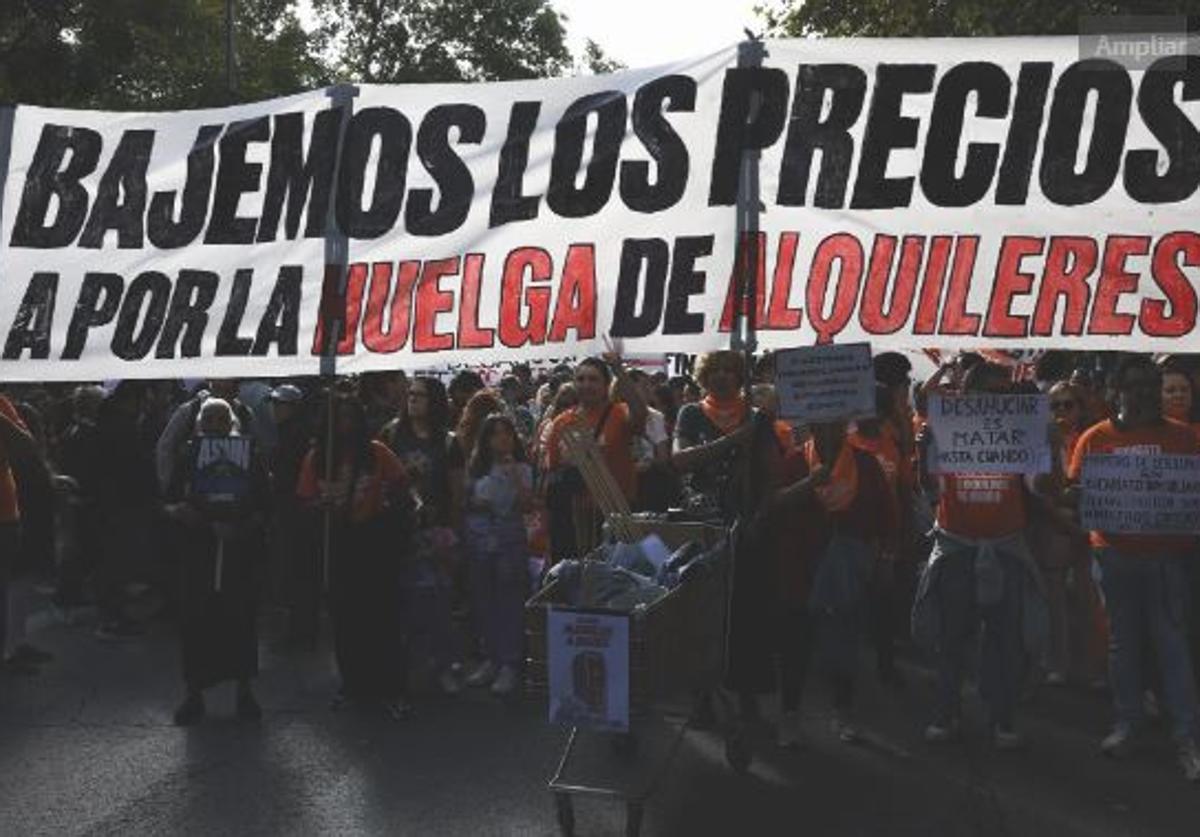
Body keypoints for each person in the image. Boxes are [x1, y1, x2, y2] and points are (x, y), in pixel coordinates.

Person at [1067, 354, 1200, 780]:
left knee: (1172, 646)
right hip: (1114, 556)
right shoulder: (1094, 438)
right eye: (1135, 385)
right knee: (1123, 645)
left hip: (1168, 559)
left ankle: (1186, 736)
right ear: (1115, 392)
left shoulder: (1187, 438)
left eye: (1150, 384)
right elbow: (1075, 493)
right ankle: (1128, 725)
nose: (1144, 392)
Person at [915, 361, 1048, 749]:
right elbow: (930, 489)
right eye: (983, 394)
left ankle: (1002, 717)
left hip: (1006, 545)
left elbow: (1039, 487)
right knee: (952, 636)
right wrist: (924, 453)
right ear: (965, 397)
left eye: (1001, 395)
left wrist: (1045, 449)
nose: (992, 401)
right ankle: (946, 712)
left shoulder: (1022, 429)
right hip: (957, 545)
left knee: (1007, 639)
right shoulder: (943, 428)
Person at [772, 417, 894, 745]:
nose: (827, 433)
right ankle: (790, 715)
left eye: (834, 425)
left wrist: (883, 558)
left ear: (845, 427)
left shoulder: (866, 464)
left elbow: (885, 513)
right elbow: (774, 505)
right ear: (810, 427)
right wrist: (809, 483)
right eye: (820, 426)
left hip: (849, 566)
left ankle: (842, 711)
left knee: (846, 638)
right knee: (796, 643)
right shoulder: (796, 461)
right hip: (801, 567)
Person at [297, 395, 415, 719]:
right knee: (345, 619)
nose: (346, 423)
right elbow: (304, 499)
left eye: (352, 415)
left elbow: (404, 488)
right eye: (340, 416)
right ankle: (354, 684)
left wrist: (389, 508)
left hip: (374, 542)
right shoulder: (317, 458)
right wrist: (319, 510)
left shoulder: (377, 453)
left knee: (382, 618)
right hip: (338, 543)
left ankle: (391, 687)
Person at [166, 399, 269, 726]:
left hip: (238, 550)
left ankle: (244, 691)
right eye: (207, 419)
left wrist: (241, 527)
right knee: (196, 620)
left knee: (239, 617)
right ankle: (194, 693)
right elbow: (169, 500)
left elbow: (266, 504)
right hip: (198, 551)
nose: (213, 425)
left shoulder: (250, 456)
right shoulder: (187, 456)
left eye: (220, 419)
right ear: (198, 423)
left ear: (231, 423)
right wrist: (182, 513)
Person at [380, 376, 465, 695]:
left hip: (436, 532)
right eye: (411, 394)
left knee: (440, 602)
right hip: (399, 529)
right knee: (403, 601)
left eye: (421, 395)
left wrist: (452, 533)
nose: (414, 399)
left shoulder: (448, 441)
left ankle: (444, 665)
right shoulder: (390, 434)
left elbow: (458, 492)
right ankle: (407, 666)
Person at [543, 350, 647, 559]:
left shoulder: (619, 412)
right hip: (574, 515)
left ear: (606, 384)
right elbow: (551, 470)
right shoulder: (562, 422)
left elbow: (640, 413)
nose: (586, 385)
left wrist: (619, 370)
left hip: (615, 513)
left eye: (593, 379)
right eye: (580, 379)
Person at [463, 414, 535, 695]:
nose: (502, 438)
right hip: (480, 539)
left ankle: (510, 662)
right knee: (485, 599)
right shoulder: (477, 467)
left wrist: (514, 475)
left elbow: (527, 504)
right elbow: (468, 500)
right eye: (495, 433)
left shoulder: (522, 467)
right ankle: (491, 657)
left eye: (506, 433)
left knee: (510, 601)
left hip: (510, 541)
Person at [94, 381, 158, 639]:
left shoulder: (107, 421)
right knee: (115, 562)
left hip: (111, 503)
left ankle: (113, 614)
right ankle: (112, 619)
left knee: (113, 561)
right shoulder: (122, 427)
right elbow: (132, 468)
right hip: (121, 504)